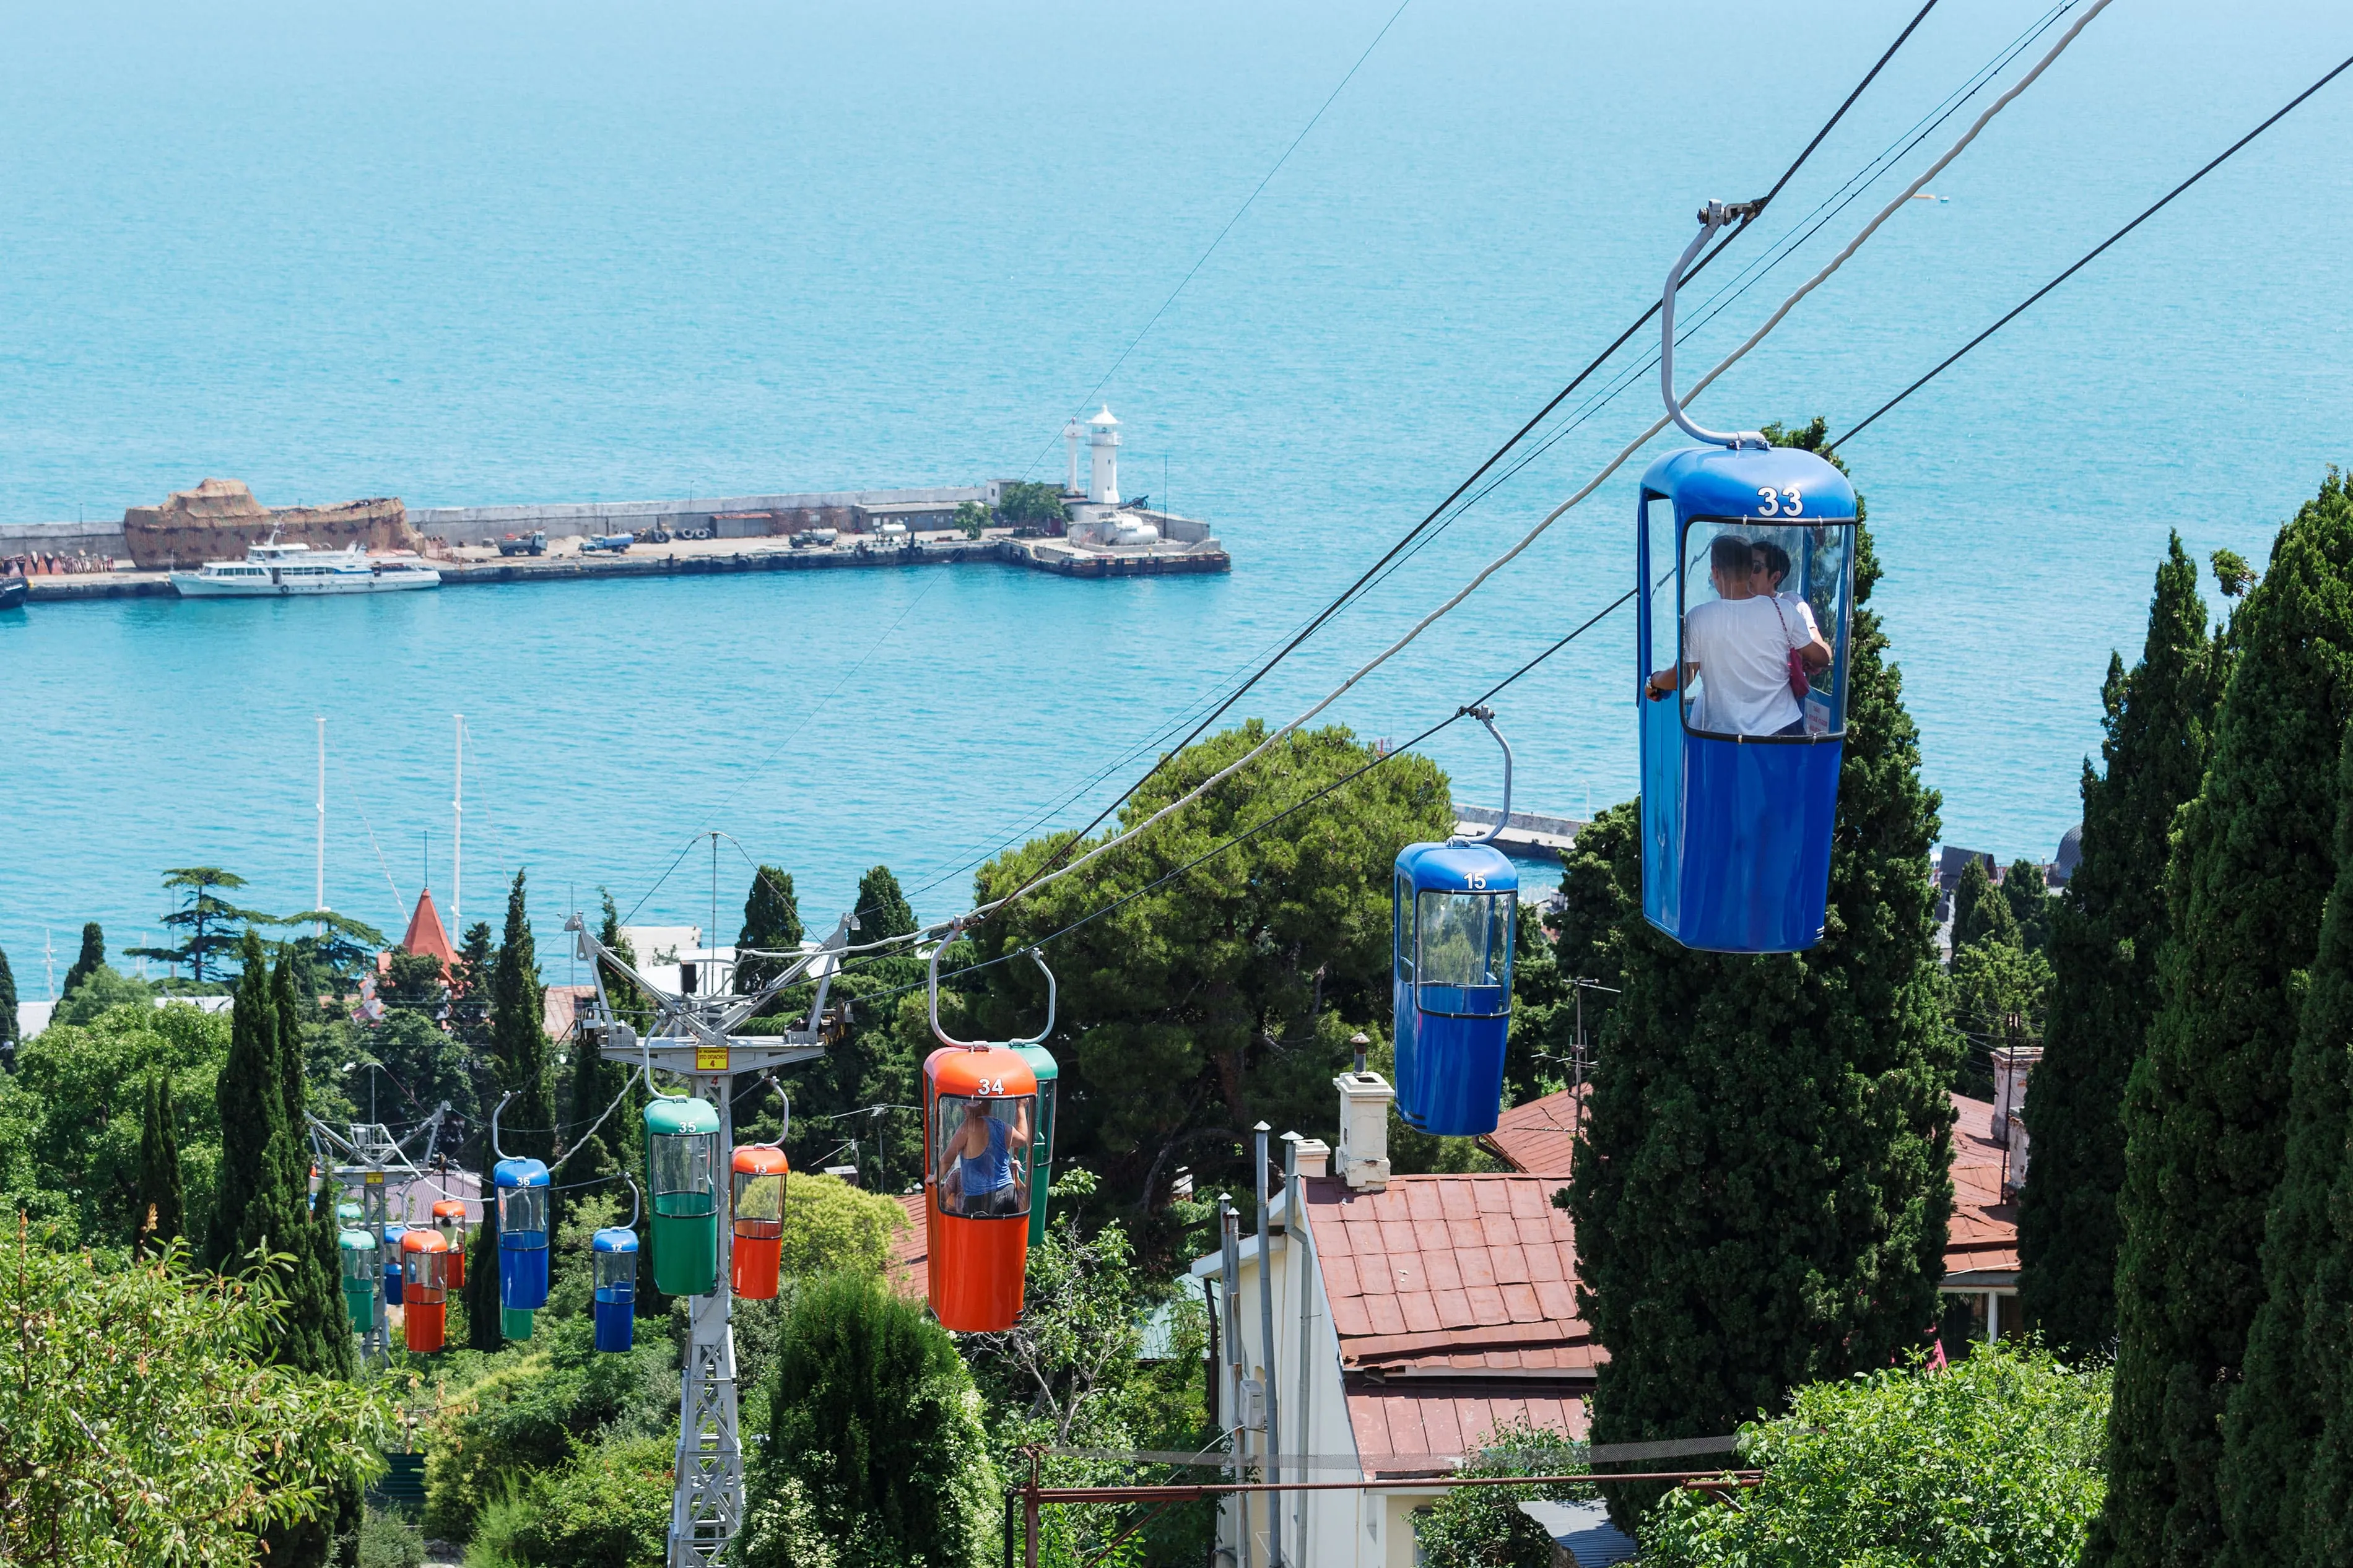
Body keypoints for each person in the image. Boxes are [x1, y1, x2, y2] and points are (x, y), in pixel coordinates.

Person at [1645, 533, 1832, 736]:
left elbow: (1681, 679)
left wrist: (1653, 681)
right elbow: (1821, 658)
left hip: (1726, 737)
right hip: (1784, 732)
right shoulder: (1784, 609)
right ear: (1751, 569)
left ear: (1715, 572)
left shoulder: (1699, 617)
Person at [1749, 539, 1832, 675]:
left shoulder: (1791, 603)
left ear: (1775, 577)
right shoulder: (1733, 602)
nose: (1747, 572)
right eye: (1744, 565)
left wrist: (1815, 658)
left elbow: (1820, 649)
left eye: (1755, 567)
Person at [938, 1096, 1029, 1217]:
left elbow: (947, 1159)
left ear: (978, 1103)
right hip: (1008, 1193)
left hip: (980, 1198)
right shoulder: (1004, 1127)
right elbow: (1023, 1140)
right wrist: (1020, 1107)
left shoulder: (968, 1127)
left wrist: (934, 1178)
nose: (962, 1107)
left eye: (965, 1102)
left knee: (975, 1235)